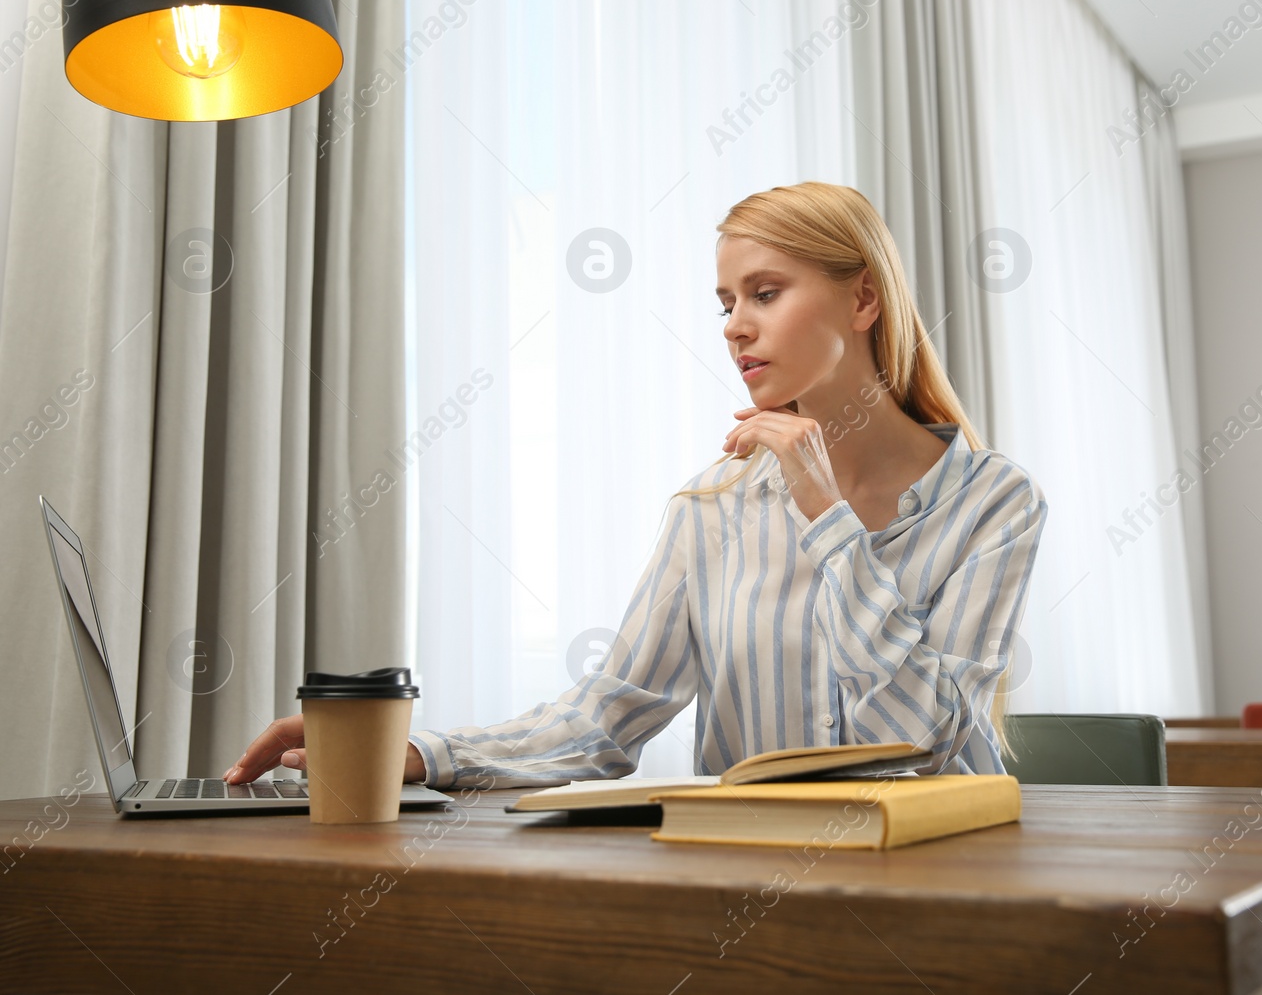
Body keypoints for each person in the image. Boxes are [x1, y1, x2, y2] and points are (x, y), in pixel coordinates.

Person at [226, 181, 1047, 790]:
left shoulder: (994, 503)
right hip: (749, 891)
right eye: (726, 302)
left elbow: (921, 739)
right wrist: (417, 755)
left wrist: (826, 517)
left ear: (863, 296)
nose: (733, 324)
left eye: (765, 292)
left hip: (940, 888)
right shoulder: (711, 510)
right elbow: (606, 718)